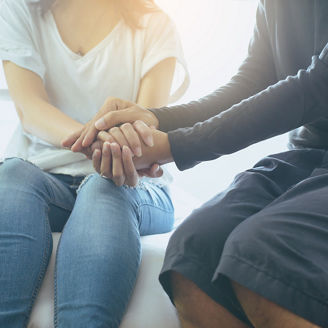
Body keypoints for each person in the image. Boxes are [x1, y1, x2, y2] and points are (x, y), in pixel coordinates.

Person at [70, 0, 328, 327]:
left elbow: (318, 84)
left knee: (261, 255)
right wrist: (157, 121)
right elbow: (253, 81)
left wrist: (175, 146)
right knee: (193, 254)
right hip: (310, 155)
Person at [0, 0, 189, 327]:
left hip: (130, 181)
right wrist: (96, 140)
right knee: (12, 174)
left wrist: (111, 147)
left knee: (104, 188)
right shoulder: (19, 9)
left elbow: (147, 132)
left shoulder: (156, 25)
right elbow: (30, 110)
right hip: (45, 176)